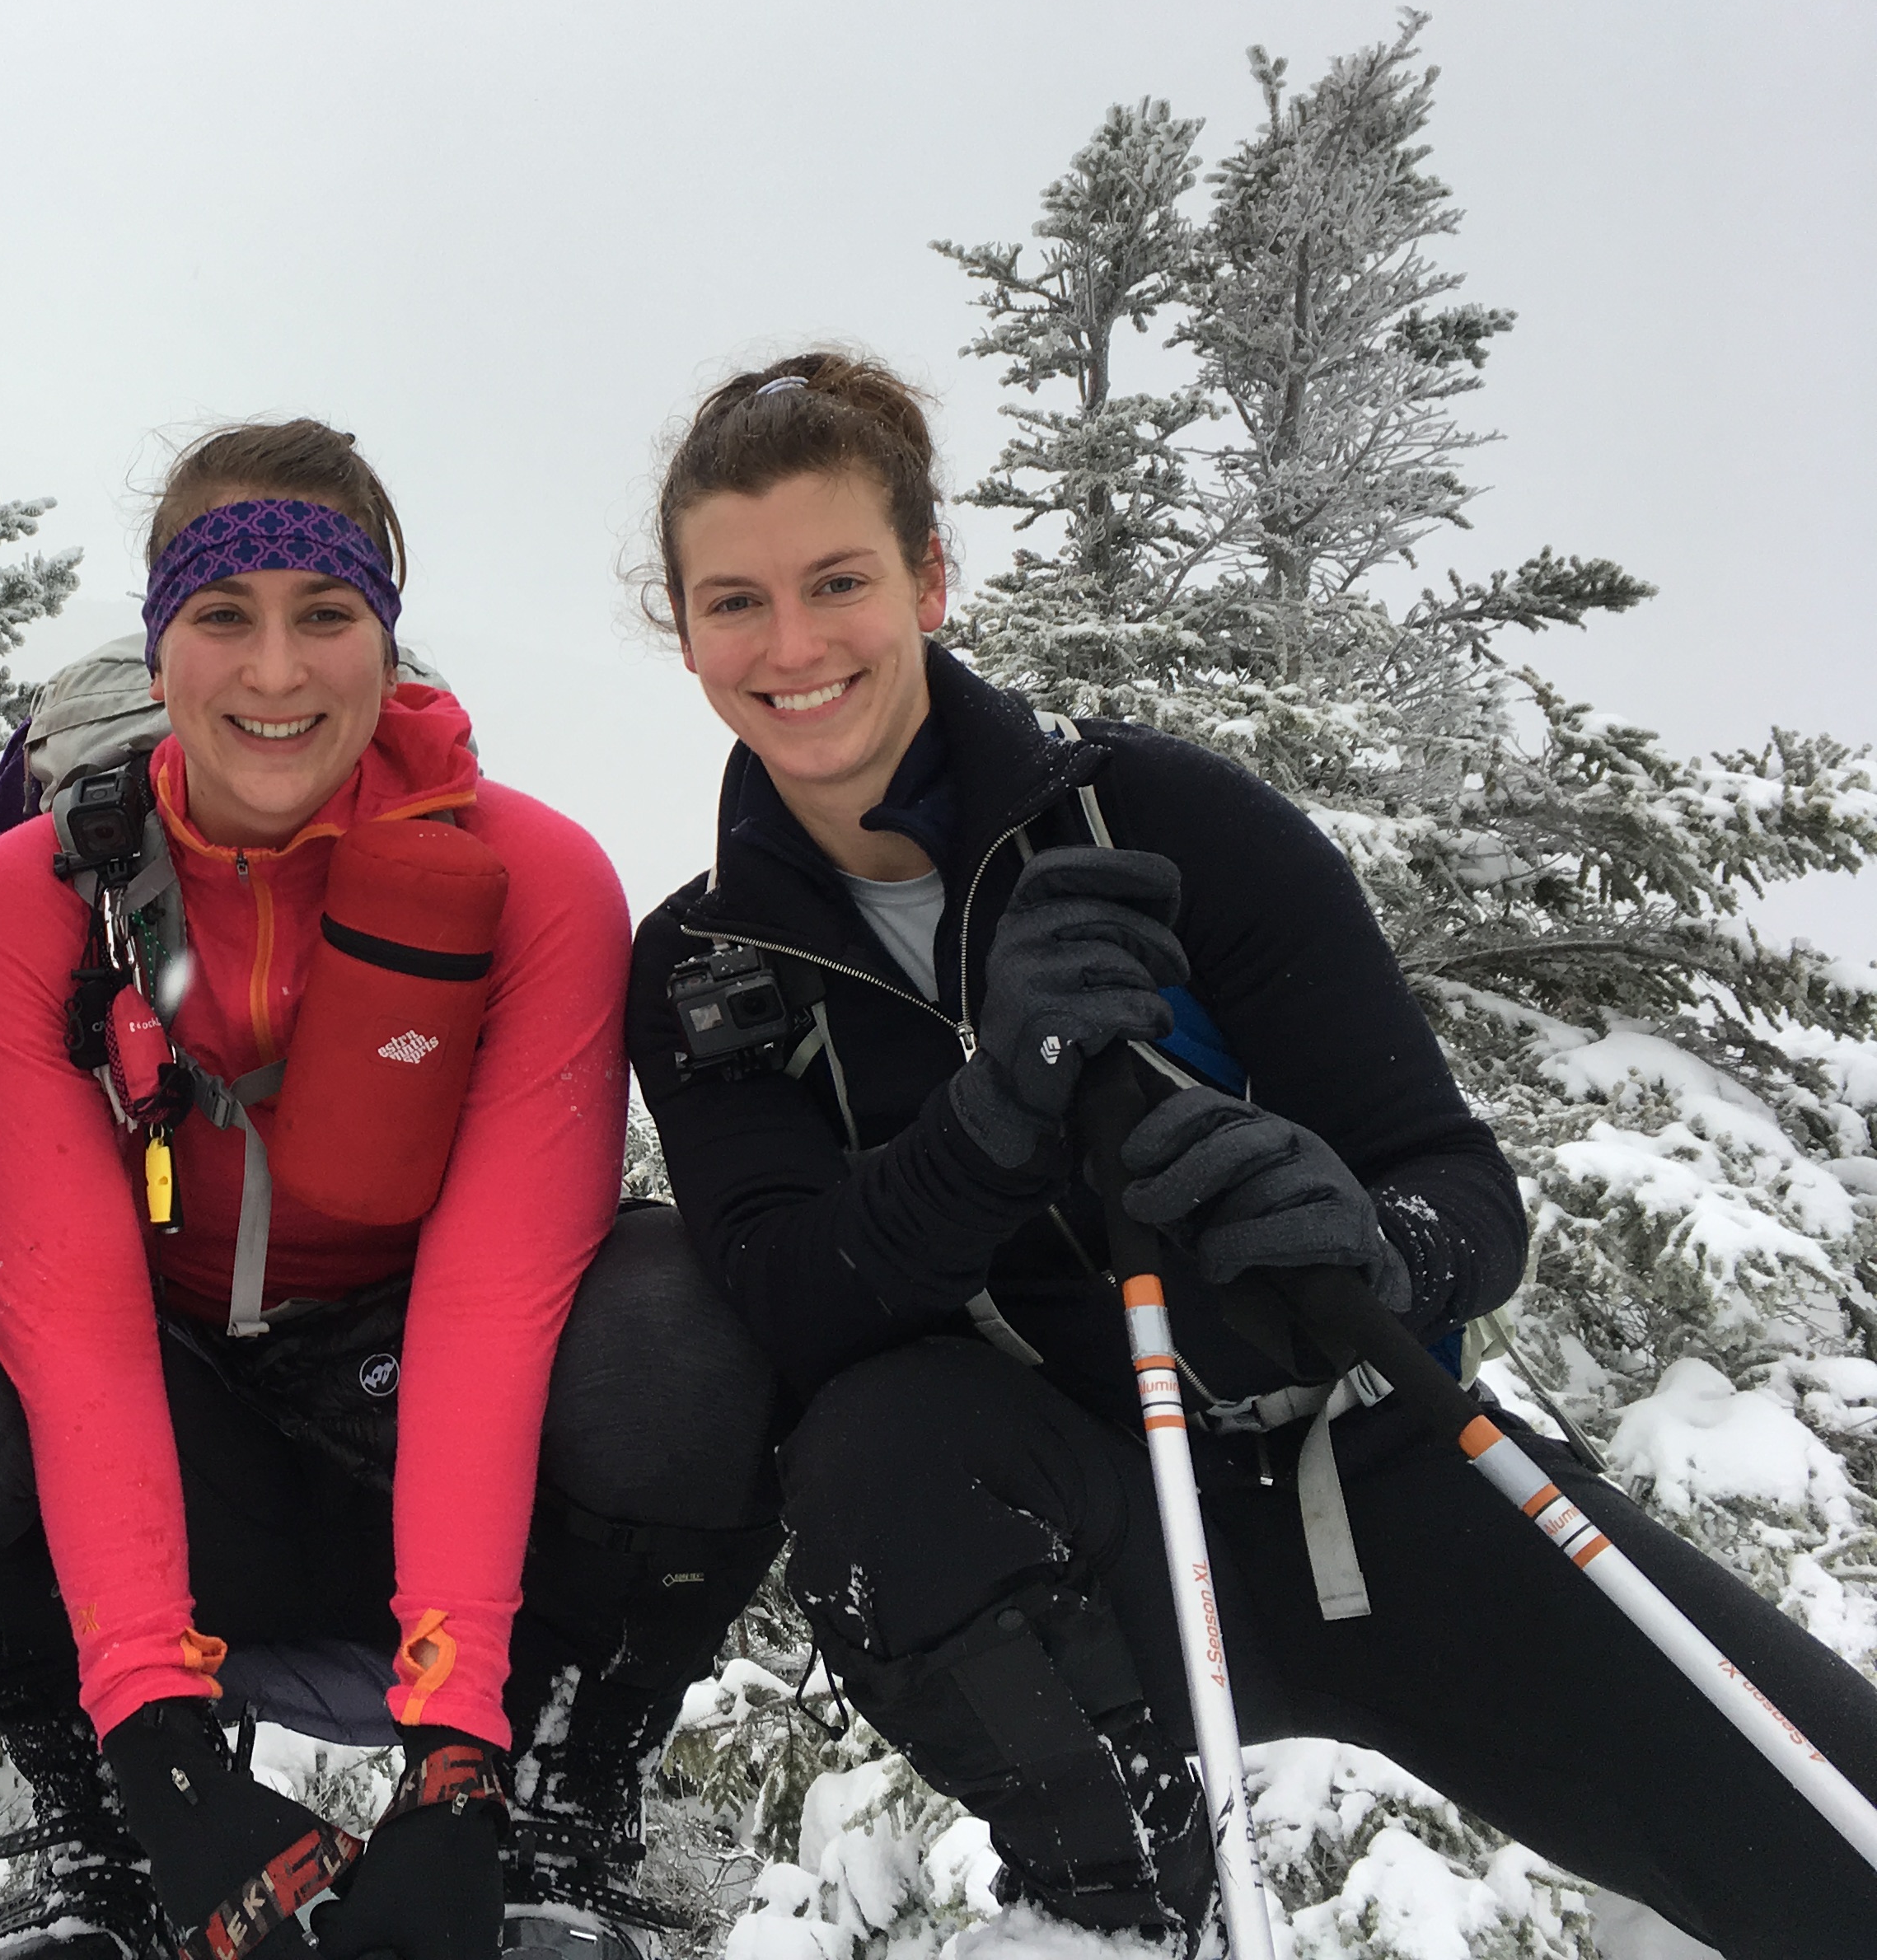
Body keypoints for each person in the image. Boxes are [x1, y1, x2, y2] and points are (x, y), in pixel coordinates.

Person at [626, 353, 1877, 1954]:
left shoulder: (1157, 821)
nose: (792, 647)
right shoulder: (709, 961)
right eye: (736, 601)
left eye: (838, 580)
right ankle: (1128, 1906)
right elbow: (793, 1298)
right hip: (1077, 1551)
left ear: (932, 577)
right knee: (877, 1443)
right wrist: (997, 1116)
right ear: (687, 631)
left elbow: (1456, 1189)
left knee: (1826, 1825)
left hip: (1375, 1473)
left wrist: (1376, 1242)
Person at [0, 422, 784, 1960]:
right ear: (160, 640)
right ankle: (105, 1831)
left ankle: (555, 1812)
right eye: (223, 617)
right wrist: (157, 1746)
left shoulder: (536, 880)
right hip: (180, 1440)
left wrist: (455, 1753)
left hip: (445, 1428)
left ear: (387, 642)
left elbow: (500, 1298)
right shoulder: (25, 903)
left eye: (325, 616)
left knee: (685, 1330)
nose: (275, 671)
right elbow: (72, 1329)